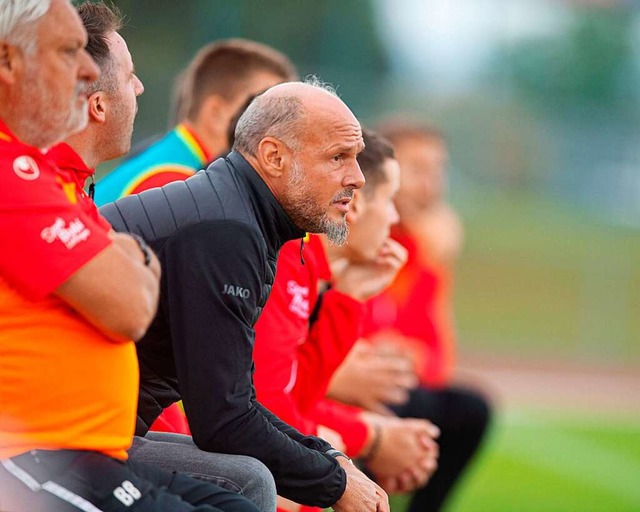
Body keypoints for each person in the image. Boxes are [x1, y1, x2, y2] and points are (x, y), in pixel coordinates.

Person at [0, 1, 261, 511]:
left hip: (82, 445)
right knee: (246, 484)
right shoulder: (171, 180)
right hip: (38, 451)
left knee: (245, 489)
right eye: (67, 52)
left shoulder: (56, 177)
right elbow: (130, 308)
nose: (84, 73)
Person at [99, 80, 389, 512]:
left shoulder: (238, 213)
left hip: (99, 424)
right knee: (247, 484)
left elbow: (237, 399)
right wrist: (336, 484)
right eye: (338, 157)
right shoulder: (227, 231)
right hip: (52, 430)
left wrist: (329, 459)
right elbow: (223, 421)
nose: (358, 177)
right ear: (273, 157)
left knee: (250, 475)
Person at [252, 129, 440, 512]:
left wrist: (349, 297)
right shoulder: (287, 262)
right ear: (354, 204)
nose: (395, 216)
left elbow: (297, 396)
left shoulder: (306, 267)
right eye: (388, 200)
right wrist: (363, 440)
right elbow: (271, 409)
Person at [328, 118, 492, 512]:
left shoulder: (424, 249)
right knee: (373, 405)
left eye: (439, 170)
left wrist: (406, 356)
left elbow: (439, 359)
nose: (432, 184)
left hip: (395, 388)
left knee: (469, 409)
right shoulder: (344, 240)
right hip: (343, 393)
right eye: (419, 170)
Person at [94, 38, 297, 205]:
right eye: (266, 111)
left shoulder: (170, 157)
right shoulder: (176, 182)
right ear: (217, 114)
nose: (285, 125)